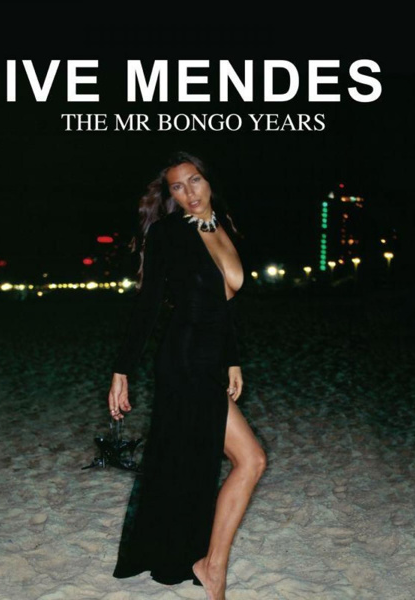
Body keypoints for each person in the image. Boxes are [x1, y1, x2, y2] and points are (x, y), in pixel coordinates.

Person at [108, 151, 267, 599]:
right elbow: (148, 303)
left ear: (208, 181)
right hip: (184, 360)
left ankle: (205, 562)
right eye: (177, 187)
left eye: (194, 180)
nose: (189, 192)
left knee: (202, 462)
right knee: (250, 460)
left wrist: (232, 359)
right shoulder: (168, 233)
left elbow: (224, 305)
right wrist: (122, 369)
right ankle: (211, 568)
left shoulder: (224, 226)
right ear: (171, 195)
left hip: (210, 360)